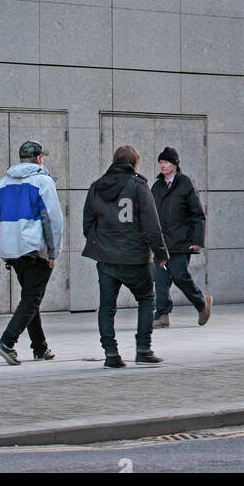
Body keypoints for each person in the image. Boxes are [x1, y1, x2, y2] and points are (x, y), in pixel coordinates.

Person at [82, 144, 169, 367]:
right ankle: (143, 349)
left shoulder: (96, 187)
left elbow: (87, 224)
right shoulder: (139, 186)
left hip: (106, 258)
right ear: (134, 163)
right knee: (146, 300)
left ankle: (111, 354)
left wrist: (100, 244)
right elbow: (152, 224)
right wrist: (161, 252)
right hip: (135, 257)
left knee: (107, 307)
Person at [0, 140, 63, 366]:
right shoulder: (43, 182)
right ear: (39, 159)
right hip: (34, 248)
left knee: (30, 297)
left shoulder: (3, 183)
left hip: (11, 249)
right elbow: (52, 218)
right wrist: (52, 251)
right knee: (32, 298)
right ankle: (7, 342)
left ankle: (40, 347)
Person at [151, 147, 212, 327]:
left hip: (180, 241)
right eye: (160, 162)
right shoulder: (157, 186)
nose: (162, 166)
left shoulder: (186, 184)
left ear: (175, 165)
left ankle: (202, 303)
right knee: (160, 279)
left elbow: (198, 214)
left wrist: (197, 241)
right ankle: (162, 315)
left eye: (166, 162)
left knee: (179, 275)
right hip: (161, 243)